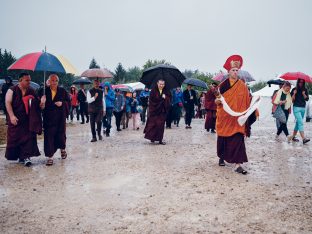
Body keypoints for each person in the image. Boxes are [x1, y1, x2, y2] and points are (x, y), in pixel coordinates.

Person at [215, 55, 257, 174]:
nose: (235, 72)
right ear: (229, 72)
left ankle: (237, 164)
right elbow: (217, 100)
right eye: (233, 70)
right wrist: (217, 101)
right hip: (225, 117)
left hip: (238, 119)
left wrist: (254, 106)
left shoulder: (243, 86)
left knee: (238, 140)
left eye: (236, 70)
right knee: (224, 138)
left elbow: (247, 101)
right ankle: (222, 157)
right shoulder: (223, 85)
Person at [4, 73, 42, 167]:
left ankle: (26, 157)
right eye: (27, 80)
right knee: (15, 138)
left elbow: (37, 103)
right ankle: (20, 156)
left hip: (28, 120)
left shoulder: (31, 90)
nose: (29, 82)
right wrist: (12, 116)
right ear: (20, 80)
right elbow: (8, 103)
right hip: (16, 119)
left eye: (30, 80)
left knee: (28, 138)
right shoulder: (12, 90)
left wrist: (42, 103)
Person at [39, 74, 70, 166]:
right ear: (48, 81)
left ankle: (62, 149)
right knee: (48, 137)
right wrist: (42, 103)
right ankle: (50, 157)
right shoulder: (44, 91)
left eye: (55, 80)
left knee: (60, 136)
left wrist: (62, 104)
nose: (54, 82)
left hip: (60, 118)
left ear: (58, 82)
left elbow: (68, 102)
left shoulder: (63, 91)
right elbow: (41, 107)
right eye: (52, 80)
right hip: (49, 119)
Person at [144, 79, 171, 145]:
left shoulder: (166, 91)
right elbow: (151, 101)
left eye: (163, 84)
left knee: (161, 126)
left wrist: (166, 98)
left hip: (162, 111)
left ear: (164, 85)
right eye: (160, 84)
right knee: (153, 125)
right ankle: (152, 138)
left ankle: (160, 140)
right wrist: (159, 98)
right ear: (157, 83)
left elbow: (170, 99)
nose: (161, 85)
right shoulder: (153, 91)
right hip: (154, 111)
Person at [289, 79, 310, 144]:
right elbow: (291, 100)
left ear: (304, 83)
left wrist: (304, 94)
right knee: (300, 122)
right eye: (300, 82)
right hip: (296, 108)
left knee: (298, 123)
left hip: (303, 108)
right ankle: (303, 139)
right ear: (298, 82)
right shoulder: (294, 89)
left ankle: (293, 137)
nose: (301, 83)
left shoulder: (305, 90)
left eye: (302, 82)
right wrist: (294, 94)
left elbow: (307, 99)